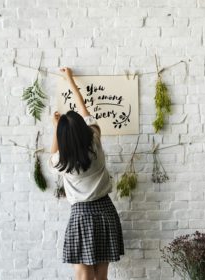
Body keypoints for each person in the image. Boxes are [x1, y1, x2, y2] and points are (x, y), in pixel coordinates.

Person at [47, 67, 125, 280]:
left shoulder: (62, 161)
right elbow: (84, 110)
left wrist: (56, 127)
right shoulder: (95, 141)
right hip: (106, 211)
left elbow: (52, 153)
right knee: (101, 277)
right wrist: (70, 79)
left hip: (81, 216)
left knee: (83, 277)